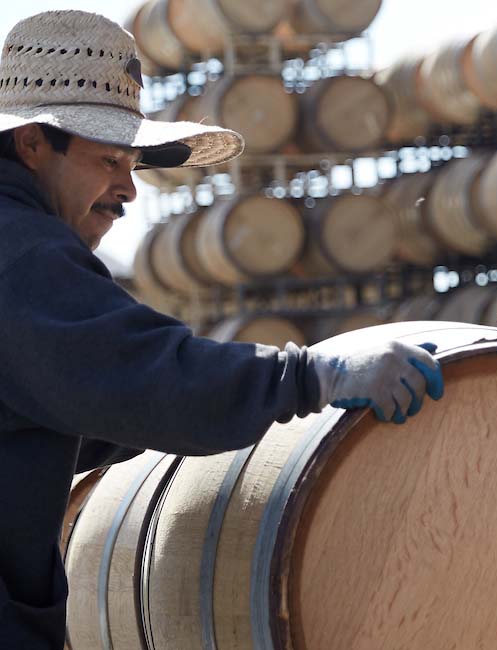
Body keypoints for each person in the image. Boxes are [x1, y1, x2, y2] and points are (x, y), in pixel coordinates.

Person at [0, 10, 445, 647]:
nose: (128, 190)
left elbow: (68, 403)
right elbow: (136, 375)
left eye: (133, 164)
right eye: (107, 159)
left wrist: (201, 416)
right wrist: (308, 378)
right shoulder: (22, 253)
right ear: (33, 145)